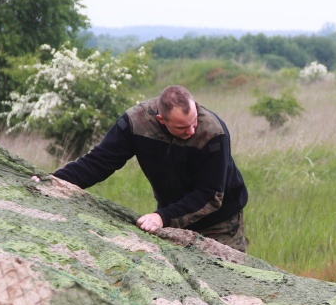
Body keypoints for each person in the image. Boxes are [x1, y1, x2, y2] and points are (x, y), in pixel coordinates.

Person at [36, 85, 249, 252]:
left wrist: (162, 217)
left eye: (194, 121)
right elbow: (98, 162)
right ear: (161, 119)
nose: (192, 130)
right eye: (183, 127)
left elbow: (209, 194)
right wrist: (55, 180)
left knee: (226, 289)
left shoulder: (213, 133)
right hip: (171, 217)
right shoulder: (135, 123)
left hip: (220, 223)